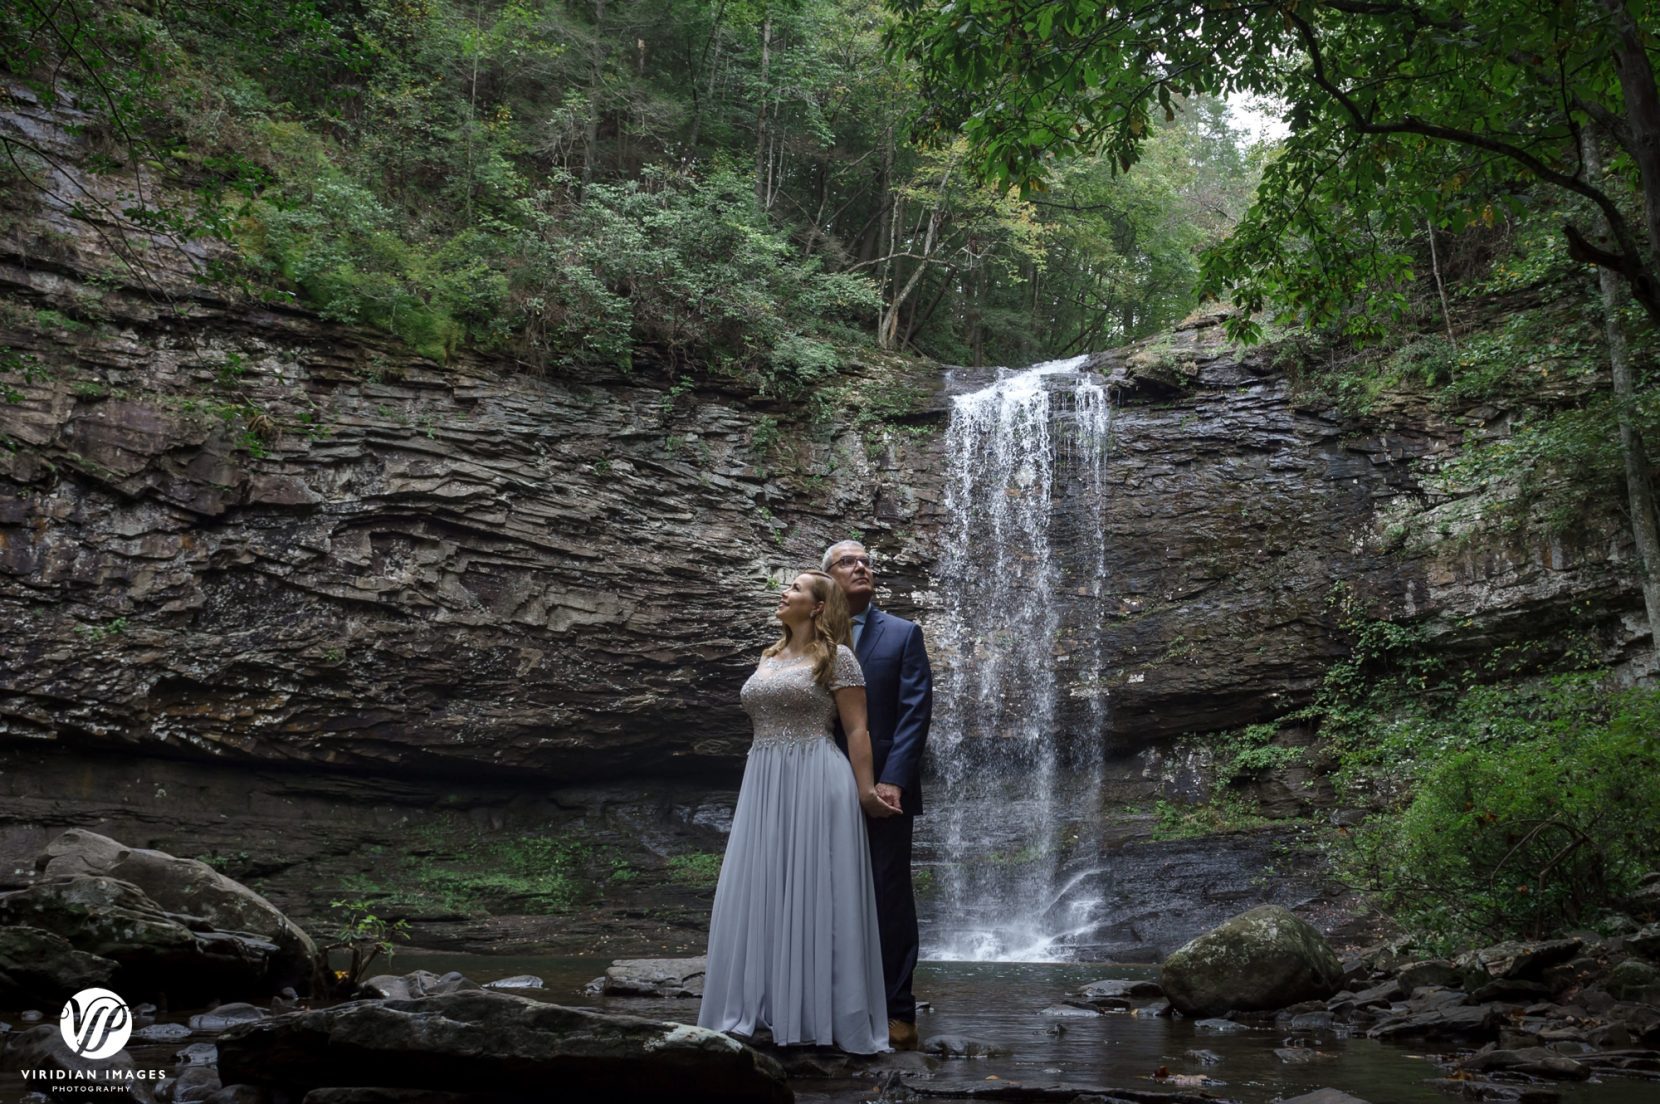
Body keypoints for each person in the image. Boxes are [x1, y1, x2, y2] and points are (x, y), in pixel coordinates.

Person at [697, 570, 898, 1052]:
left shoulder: (838, 657)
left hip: (816, 776)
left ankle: (816, 1015)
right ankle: (763, 1007)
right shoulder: (768, 656)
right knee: (761, 884)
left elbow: (856, 732)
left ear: (816, 606)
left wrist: (866, 790)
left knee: (816, 890)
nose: (783, 593)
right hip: (764, 778)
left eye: (794, 589)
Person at [823, 540, 933, 1051]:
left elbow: (915, 712)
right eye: (848, 561)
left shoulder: (904, 634)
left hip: (886, 787)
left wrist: (893, 777)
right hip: (819, 784)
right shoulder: (810, 636)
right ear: (826, 579)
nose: (861, 566)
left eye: (866, 561)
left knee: (888, 894)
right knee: (823, 891)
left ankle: (898, 1010)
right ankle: (825, 1002)